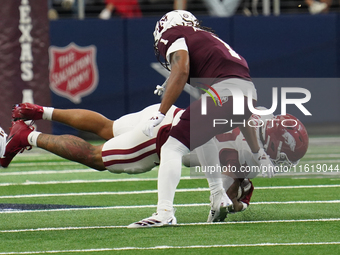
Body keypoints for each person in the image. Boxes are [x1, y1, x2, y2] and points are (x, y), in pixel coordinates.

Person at [128, 10, 274, 228]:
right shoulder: (208, 40)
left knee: (172, 147)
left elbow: (182, 69)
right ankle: (218, 196)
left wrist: (161, 111)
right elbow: (242, 111)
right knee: (204, 136)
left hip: (226, 93)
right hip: (246, 93)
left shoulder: (175, 33)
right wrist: (258, 152)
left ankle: (164, 212)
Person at [183, 109, 309, 217]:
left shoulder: (265, 116)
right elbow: (222, 197)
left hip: (199, 124)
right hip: (192, 142)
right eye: (282, 158)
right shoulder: (249, 157)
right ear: (273, 144)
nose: (281, 163)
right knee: (181, 158)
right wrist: (240, 203)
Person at [1, 103, 183, 173]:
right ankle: (26, 136)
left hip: (169, 112)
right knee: (96, 157)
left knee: (108, 127)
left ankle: (39, 111)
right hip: (166, 133)